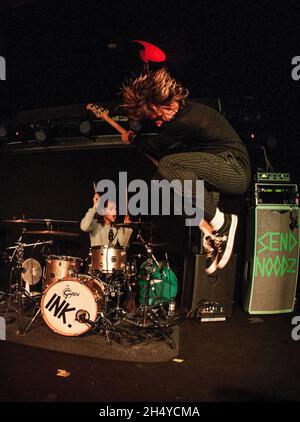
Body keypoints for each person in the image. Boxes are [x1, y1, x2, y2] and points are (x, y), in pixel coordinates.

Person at [120, 68, 251, 274]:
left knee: (169, 165)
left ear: (160, 103)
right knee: (160, 184)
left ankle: (223, 222)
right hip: (212, 171)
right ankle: (211, 232)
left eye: (155, 116)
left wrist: (133, 138)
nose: (157, 122)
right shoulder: (182, 117)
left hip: (233, 168)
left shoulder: (186, 118)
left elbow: (156, 147)